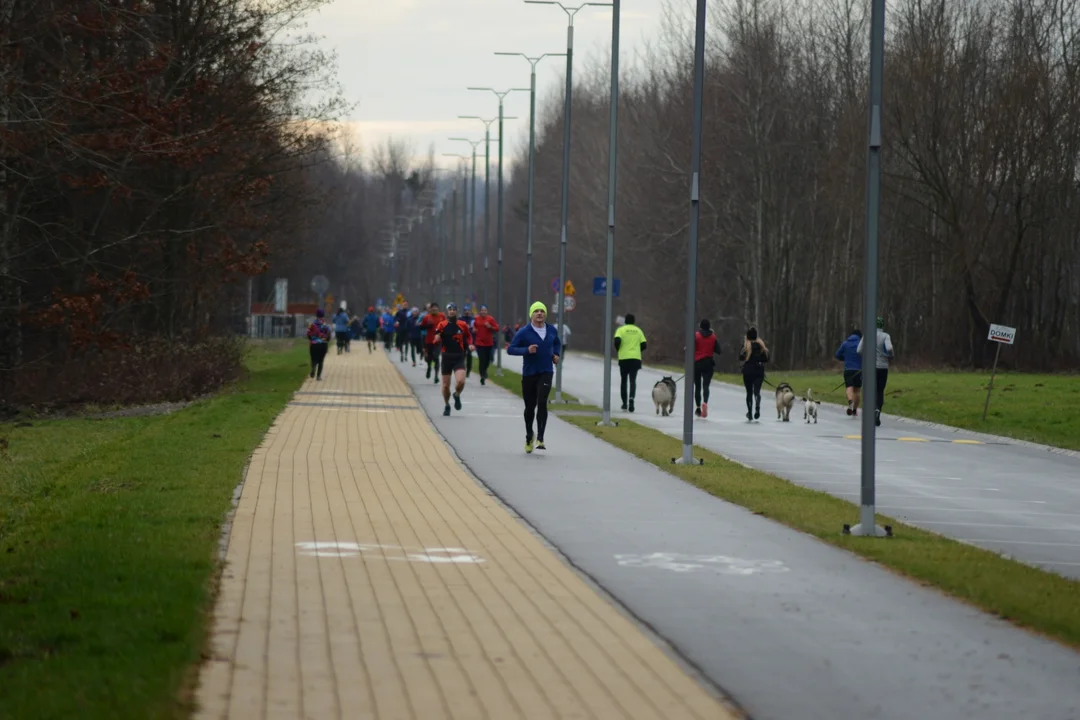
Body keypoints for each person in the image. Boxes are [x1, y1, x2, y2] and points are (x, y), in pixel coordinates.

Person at [507, 301, 562, 453]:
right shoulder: (524, 332)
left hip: (546, 371)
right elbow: (511, 349)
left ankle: (541, 438)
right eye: (536, 311)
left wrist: (556, 355)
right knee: (530, 407)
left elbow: (557, 343)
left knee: (542, 401)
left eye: (542, 311)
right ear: (531, 314)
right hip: (529, 373)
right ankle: (529, 435)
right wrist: (526, 350)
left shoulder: (551, 330)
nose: (539, 313)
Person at [435, 303, 475, 416]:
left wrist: (471, 345)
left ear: (457, 311)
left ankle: (457, 395)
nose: (452, 311)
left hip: (459, 356)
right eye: (450, 309)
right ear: (447, 311)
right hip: (446, 357)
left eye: (454, 309)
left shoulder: (463, 324)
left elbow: (468, 336)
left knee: (461, 381)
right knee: (445, 386)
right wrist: (437, 338)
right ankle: (447, 405)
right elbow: (436, 336)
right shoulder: (442, 324)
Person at [857, 316, 894, 426]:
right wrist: (890, 356)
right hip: (882, 367)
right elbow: (889, 348)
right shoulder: (886, 336)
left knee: (870, 390)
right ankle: (877, 410)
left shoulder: (867, 335)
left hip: (870, 367)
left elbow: (859, 350)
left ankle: (871, 412)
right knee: (880, 390)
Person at [614, 313, 647, 412]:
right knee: (633, 380)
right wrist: (637, 350)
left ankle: (624, 403)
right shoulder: (638, 330)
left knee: (623, 380)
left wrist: (619, 349)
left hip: (624, 358)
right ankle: (631, 399)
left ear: (625, 321)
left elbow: (617, 341)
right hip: (635, 358)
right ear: (634, 321)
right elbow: (644, 345)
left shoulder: (621, 330)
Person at [738, 326, 769, 421]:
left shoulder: (746, 346)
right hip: (759, 371)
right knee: (757, 391)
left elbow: (741, 357)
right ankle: (757, 406)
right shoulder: (761, 346)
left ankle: (750, 412)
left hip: (748, 371)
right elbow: (766, 358)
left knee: (749, 392)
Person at [693, 319, 722, 418]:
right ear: (709, 327)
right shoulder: (713, 337)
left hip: (697, 363)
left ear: (700, 326)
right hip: (708, 363)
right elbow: (719, 350)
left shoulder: (696, 335)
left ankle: (697, 407)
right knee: (706, 385)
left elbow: (690, 347)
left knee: (697, 386)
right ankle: (705, 402)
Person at [835, 325, 863, 417]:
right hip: (859, 370)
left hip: (848, 369)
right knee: (857, 391)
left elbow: (837, 354)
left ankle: (850, 401)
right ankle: (854, 410)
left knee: (849, 387)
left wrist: (845, 358)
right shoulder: (861, 343)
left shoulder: (845, 343)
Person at [471, 304, 500, 385]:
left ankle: (484, 371)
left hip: (488, 343)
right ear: (480, 311)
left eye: (485, 310)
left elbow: (497, 328)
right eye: (482, 310)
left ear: (487, 311)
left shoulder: (490, 319)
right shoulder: (477, 319)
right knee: (482, 359)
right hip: (479, 343)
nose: (483, 312)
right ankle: (482, 375)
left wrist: (490, 327)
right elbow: (474, 327)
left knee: (488, 360)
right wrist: (474, 330)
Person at [420, 302, 446, 382]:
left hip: (438, 341)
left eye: (436, 307)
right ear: (430, 309)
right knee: (429, 358)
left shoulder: (442, 316)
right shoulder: (427, 317)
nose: (434, 309)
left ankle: (436, 376)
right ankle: (428, 368)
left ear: (438, 309)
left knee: (436, 356)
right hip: (429, 340)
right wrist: (428, 325)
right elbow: (421, 327)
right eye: (433, 308)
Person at [306, 308, 331, 380]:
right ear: (323, 315)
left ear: (316, 315)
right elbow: (329, 335)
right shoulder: (326, 325)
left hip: (314, 345)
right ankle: (318, 376)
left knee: (313, 359)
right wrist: (326, 340)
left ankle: (313, 369)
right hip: (323, 345)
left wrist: (312, 339)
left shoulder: (312, 324)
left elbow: (308, 334)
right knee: (321, 360)